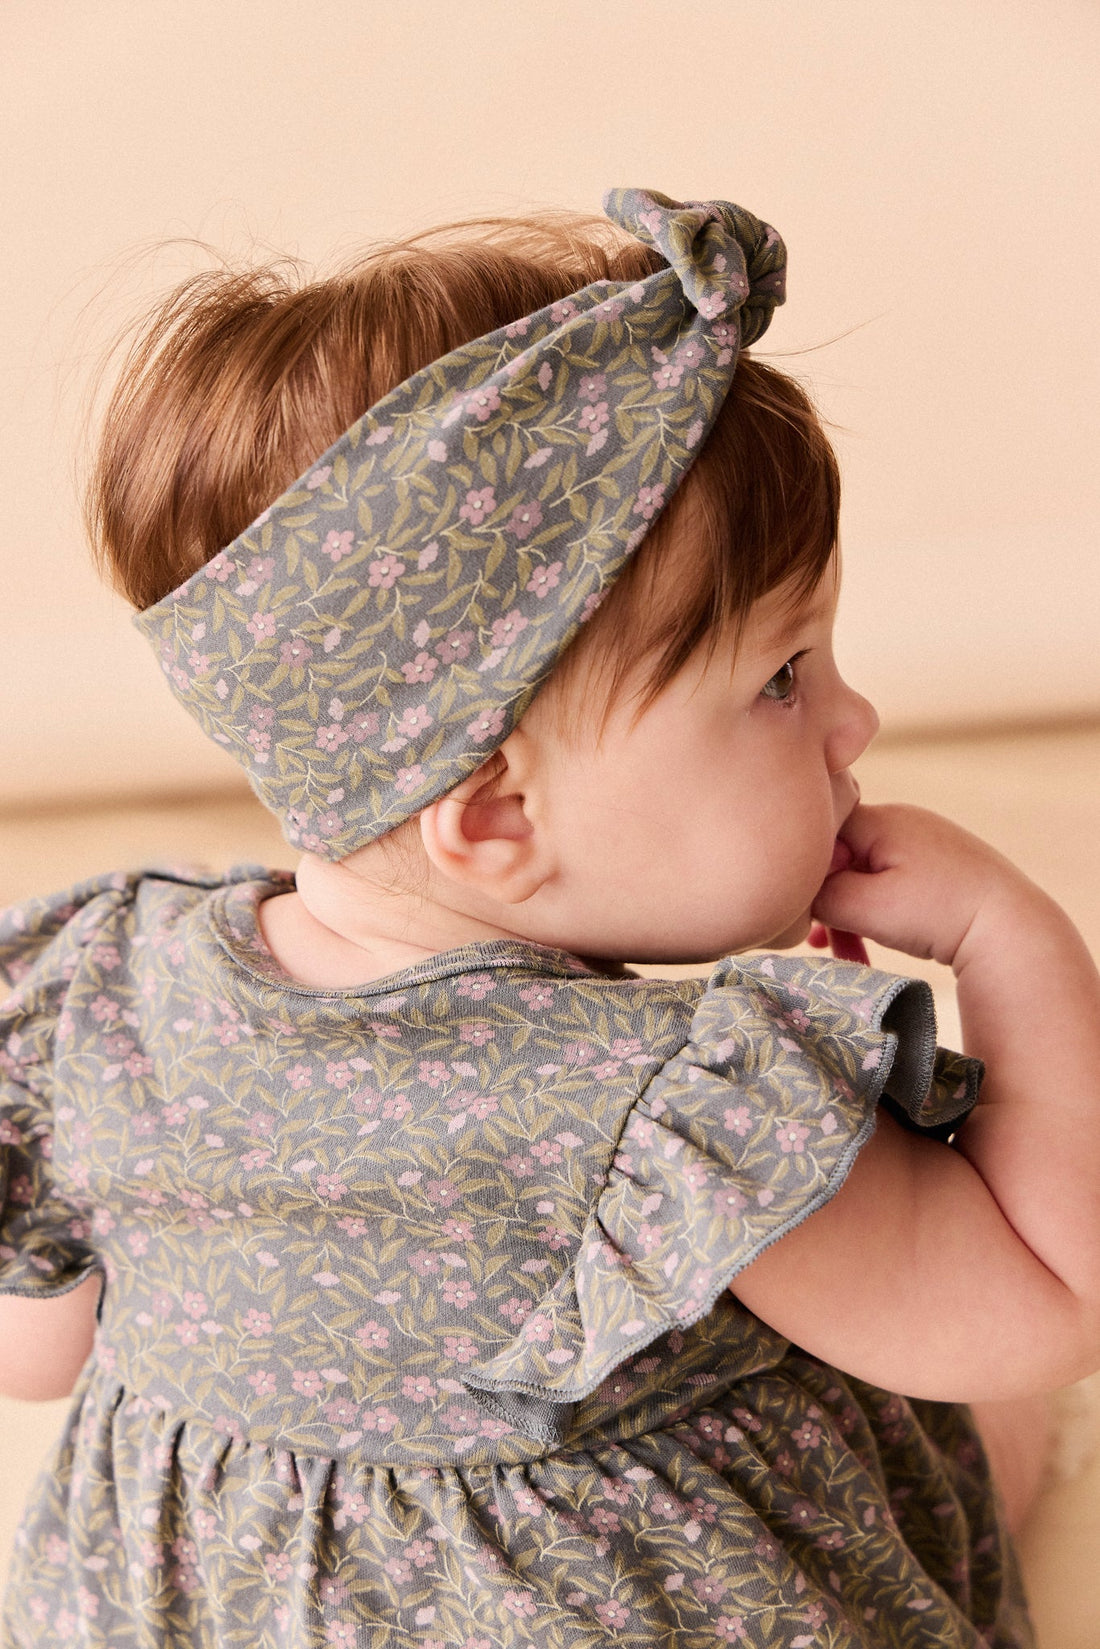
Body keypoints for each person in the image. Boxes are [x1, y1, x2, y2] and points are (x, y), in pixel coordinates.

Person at [0, 187, 1095, 1649]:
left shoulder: (105, 989)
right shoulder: (662, 1109)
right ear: (498, 816)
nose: (858, 720)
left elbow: (38, 1352)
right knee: (982, 1407)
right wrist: (1017, 942)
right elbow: (1049, 1299)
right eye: (781, 679)